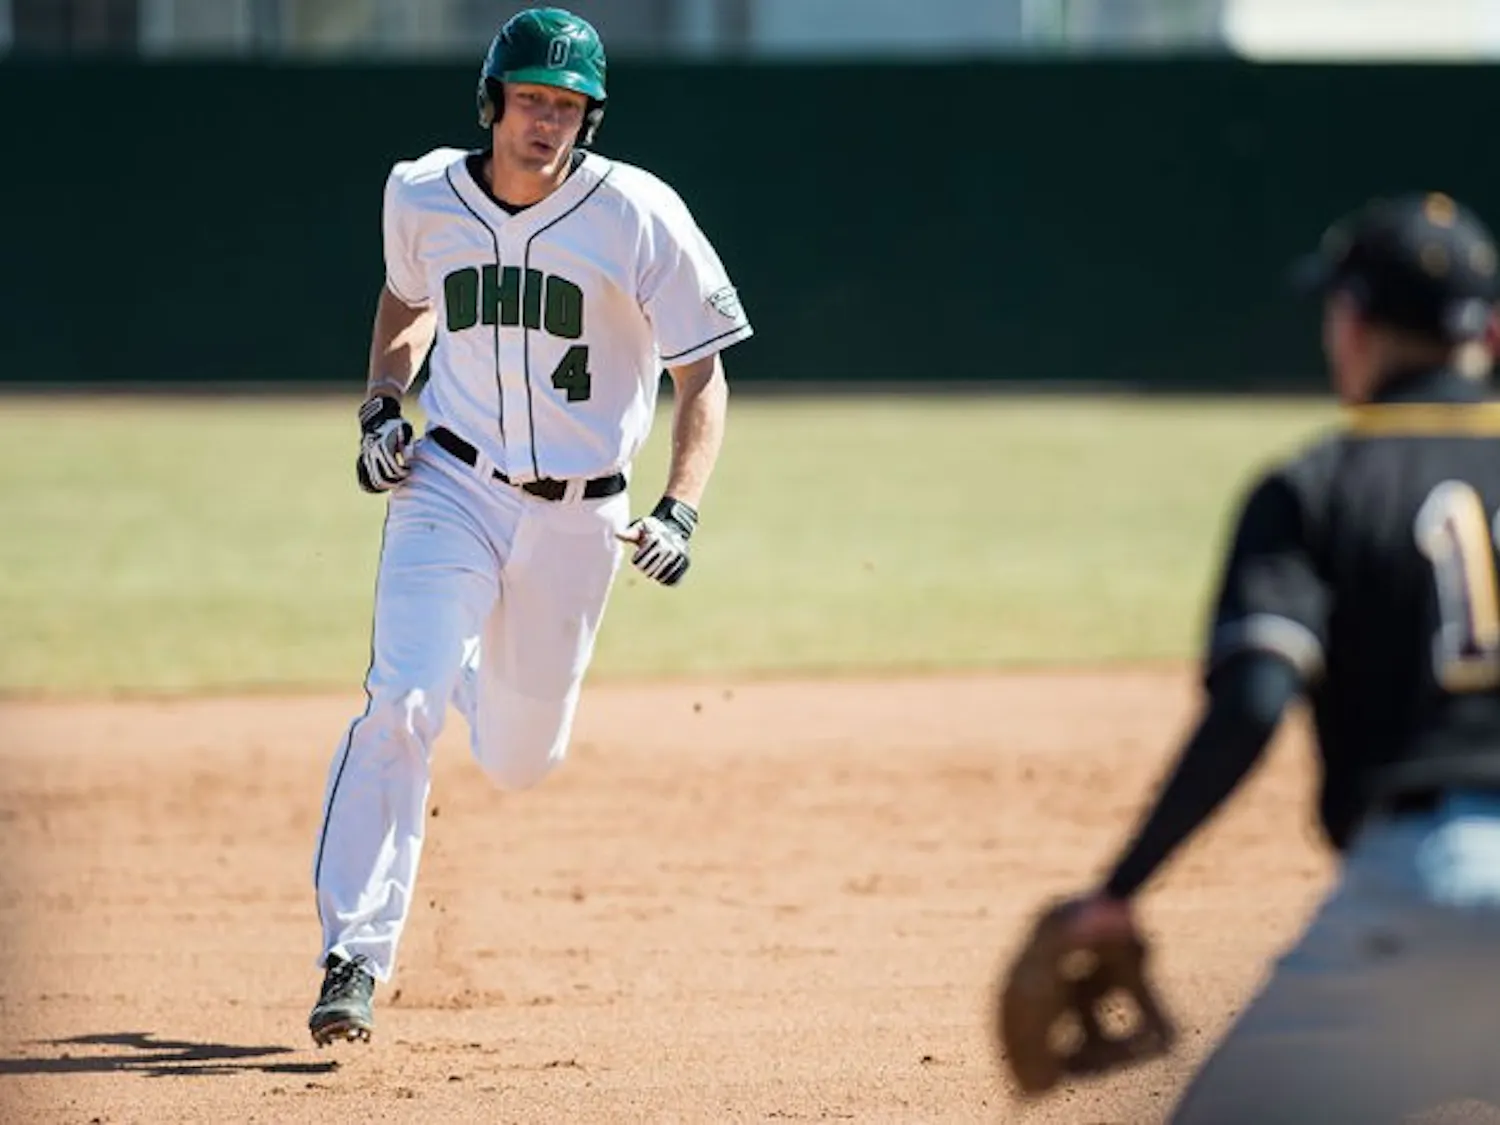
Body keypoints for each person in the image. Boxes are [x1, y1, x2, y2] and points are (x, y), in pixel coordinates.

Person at [306, 6, 753, 1047]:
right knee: (399, 704)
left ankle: (470, 671)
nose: (546, 122)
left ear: (588, 118)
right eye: (530, 100)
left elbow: (702, 375)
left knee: (518, 759)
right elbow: (405, 301)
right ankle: (352, 956)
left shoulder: (636, 213)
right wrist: (382, 405)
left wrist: (681, 508)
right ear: (491, 101)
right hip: (450, 484)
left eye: (567, 106)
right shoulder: (422, 192)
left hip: (582, 515)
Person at [1000, 192, 1500, 1122]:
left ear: (1352, 327)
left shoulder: (1316, 486)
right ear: (1490, 333)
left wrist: (1122, 887)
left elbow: (1255, 700)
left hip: (1426, 886)